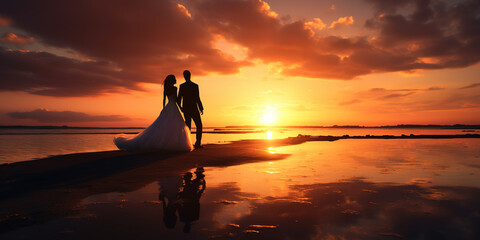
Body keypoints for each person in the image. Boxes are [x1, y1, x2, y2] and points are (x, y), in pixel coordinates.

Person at [114, 75, 194, 152]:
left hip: (169, 106)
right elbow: (176, 100)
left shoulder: (166, 88)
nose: (176, 80)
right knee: (175, 125)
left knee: (167, 125)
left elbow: (164, 100)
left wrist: (164, 109)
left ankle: (169, 143)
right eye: (174, 79)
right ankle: (173, 143)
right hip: (173, 107)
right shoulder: (175, 88)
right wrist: (181, 108)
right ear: (172, 80)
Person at [177, 70, 204, 149]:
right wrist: (200, 107)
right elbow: (179, 99)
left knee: (191, 126)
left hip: (188, 108)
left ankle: (192, 143)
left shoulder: (184, 86)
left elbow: (179, 99)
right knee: (196, 125)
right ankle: (194, 144)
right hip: (192, 108)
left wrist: (201, 107)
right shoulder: (193, 86)